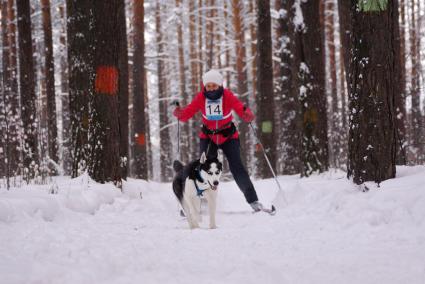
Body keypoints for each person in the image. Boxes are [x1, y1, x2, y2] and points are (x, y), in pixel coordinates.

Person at [173, 69, 264, 212]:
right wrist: (180, 114)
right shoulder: (201, 98)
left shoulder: (227, 95)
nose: (211, 89)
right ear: (205, 86)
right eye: (208, 86)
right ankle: (197, 202)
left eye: (214, 85)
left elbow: (240, 108)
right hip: (209, 138)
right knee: (203, 168)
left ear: (220, 85)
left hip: (228, 136)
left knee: (237, 168)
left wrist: (247, 114)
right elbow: (188, 112)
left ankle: (253, 201)